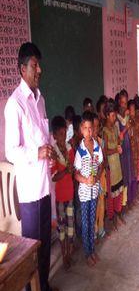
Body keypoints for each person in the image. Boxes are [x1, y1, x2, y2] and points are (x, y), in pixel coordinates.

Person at [4, 42, 55, 291]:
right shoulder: (15, 104)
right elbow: (11, 151)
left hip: (45, 186)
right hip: (30, 192)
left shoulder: (40, 99)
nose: (39, 70)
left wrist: (52, 151)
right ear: (22, 69)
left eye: (39, 65)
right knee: (31, 249)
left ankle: (43, 288)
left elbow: (45, 137)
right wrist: (37, 153)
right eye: (34, 65)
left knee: (45, 244)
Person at [74, 111, 103, 267]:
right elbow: (76, 174)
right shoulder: (80, 150)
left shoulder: (97, 146)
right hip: (84, 194)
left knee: (92, 222)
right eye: (85, 128)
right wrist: (85, 180)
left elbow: (100, 166)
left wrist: (97, 177)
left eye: (91, 128)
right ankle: (87, 253)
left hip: (95, 191)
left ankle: (92, 250)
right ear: (81, 130)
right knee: (85, 224)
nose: (88, 131)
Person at [51, 116, 75, 270]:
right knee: (62, 229)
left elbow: (72, 169)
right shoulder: (53, 153)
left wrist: (70, 169)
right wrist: (67, 170)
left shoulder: (69, 149)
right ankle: (64, 253)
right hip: (60, 198)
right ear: (54, 135)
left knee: (70, 226)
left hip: (70, 195)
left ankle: (69, 252)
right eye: (60, 134)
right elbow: (54, 177)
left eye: (65, 134)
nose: (63, 137)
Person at [103, 99, 124, 230]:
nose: (114, 117)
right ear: (107, 115)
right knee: (111, 194)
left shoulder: (115, 128)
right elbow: (105, 151)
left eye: (115, 115)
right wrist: (116, 149)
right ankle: (112, 219)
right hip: (110, 166)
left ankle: (118, 213)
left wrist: (119, 145)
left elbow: (117, 142)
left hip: (117, 164)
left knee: (119, 191)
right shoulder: (104, 131)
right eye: (112, 115)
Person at [115, 89, 136, 208]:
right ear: (119, 102)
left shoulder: (127, 115)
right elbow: (120, 136)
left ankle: (127, 200)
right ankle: (122, 204)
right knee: (123, 173)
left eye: (125, 103)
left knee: (129, 172)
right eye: (122, 103)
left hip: (128, 146)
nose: (124, 106)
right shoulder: (117, 118)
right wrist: (126, 129)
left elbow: (130, 130)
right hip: (121, 148)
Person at [92, 113, 107, 239]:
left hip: (101, 177)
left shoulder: (101, 142)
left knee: (101, 203)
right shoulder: (88, 145)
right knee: (94, 205)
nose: (95, 130)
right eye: (93, 127)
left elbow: (104, 160)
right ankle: (94, 229)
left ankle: (101, 227)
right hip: (92, 179)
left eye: (97, 127)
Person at [128, 99, 139, 202]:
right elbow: (130, 134)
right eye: (131, 110)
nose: (133, 112)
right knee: (134, 173)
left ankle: (137, 192)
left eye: (134, 110)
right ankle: (134, 195)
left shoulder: (137, 118)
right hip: (133, 151)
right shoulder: (128, 121)